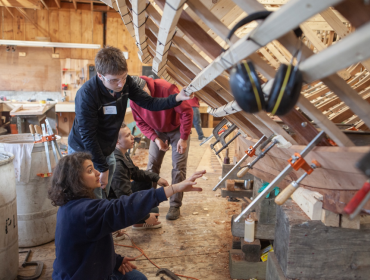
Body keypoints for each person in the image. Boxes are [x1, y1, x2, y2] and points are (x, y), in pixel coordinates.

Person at [48, 152, 205, 280]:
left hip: (86, 270)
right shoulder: (85, 211)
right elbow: (123, 207)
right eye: (90, 170)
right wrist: (174, 188)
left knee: (137, 278)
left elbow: (86, 248)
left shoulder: (70, 205)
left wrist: (115, 260)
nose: (97, 172)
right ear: (76, 180)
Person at [67, 46, 191, 200]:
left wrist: (177, 98)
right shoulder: (87, 94)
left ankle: (106, 219)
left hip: (106, 147)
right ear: (100, 76)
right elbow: (88, 136)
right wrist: (102, 168)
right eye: (114, 80)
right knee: (91, 195)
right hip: (84, 149)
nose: (121, 84)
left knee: (104, 192)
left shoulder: (125, 83)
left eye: (124, 77)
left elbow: (149, 103)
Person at [130, 76, 193, 220]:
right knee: (152, 166)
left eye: (144, 92)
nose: (142, 98)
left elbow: (186, 112)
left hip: (177, 129)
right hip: (157, 130)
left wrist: (183, 138)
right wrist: (155, 138)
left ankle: (175, 205)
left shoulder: (166, 88)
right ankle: (149, 202)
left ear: (146, 85)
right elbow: (139, 121)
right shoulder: (133, 99)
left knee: (178, 166)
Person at [109, 123, 169, 230]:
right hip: (114, 204)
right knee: (153, 211)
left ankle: (138, 217)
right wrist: (145, 216)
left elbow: (137, 174)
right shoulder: (117, 164)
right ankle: (138, 221)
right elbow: (124, 198)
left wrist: (156, 178)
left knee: (146, 180)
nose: (133, 137)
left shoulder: (123, 153)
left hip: (121, 195)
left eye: (130, 134)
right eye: (127, 136)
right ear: (117, 141)